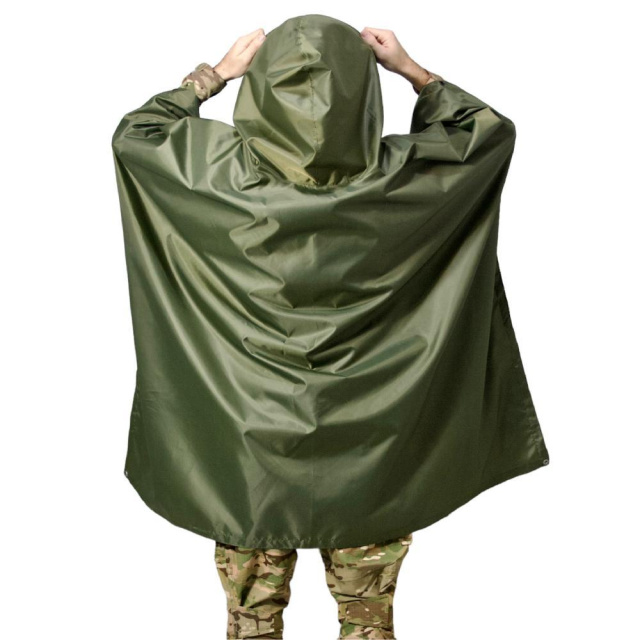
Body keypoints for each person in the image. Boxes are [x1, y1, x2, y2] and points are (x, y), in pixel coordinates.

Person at [112, 13, 549, 640]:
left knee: (251, 624)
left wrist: (215, 75)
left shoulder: (210, 171)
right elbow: (484, 132)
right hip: (371, 451)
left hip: (248, 452)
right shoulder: (406, 177)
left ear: (259, 90)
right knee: (368, 624)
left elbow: (137, 134)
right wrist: (412, 72)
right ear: (363, 94)